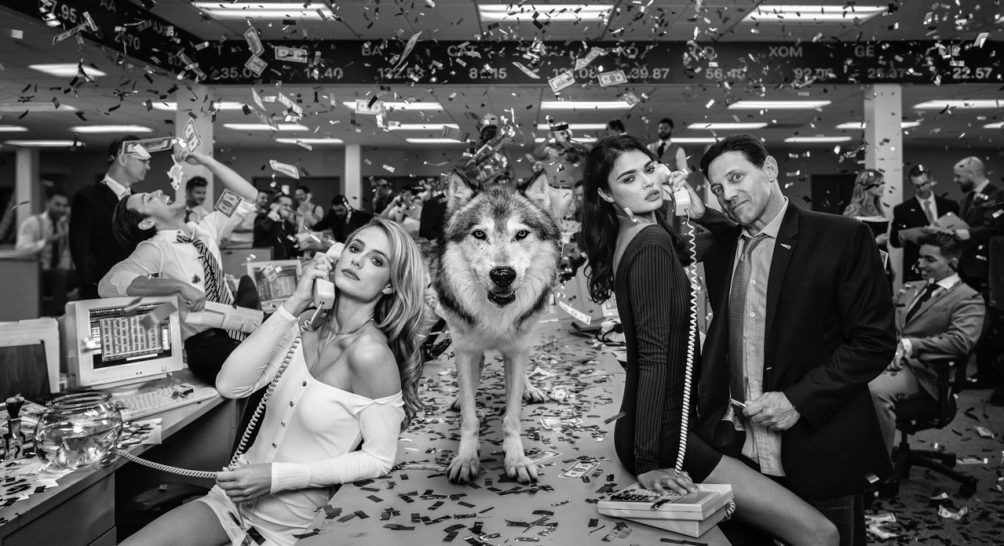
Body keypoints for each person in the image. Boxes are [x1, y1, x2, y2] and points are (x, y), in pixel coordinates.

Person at [578, 135, 837, 546]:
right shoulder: (651, 243)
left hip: (660, 426)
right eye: (629, 178)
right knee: (819, 534)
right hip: (664, 436)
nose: (647, 182)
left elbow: (724, 239)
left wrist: (696, 209)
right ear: (607, 194)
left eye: (649, 169)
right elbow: (654, 355)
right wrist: (649, 459)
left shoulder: (640, 232)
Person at [120, 218, 427, 546]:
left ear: (390, 285)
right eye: (354, 248)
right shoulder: (307, 323)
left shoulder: (370, 355)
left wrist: (276, 478)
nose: (358, 260)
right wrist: (295, 302)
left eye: (377, 260)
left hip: (286, 532)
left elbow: (380, 458)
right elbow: (230, 384)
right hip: (228, 505)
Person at [697, 134, 896, 545]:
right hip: (741, 452)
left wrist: (798, 401)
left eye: (737, 177)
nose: (729, 194)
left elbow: (873, 341)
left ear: (769, 170)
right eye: (719, 188)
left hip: (819, 446)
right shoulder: (719, 254)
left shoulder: (841, 237)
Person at [99, 147, 260, 384]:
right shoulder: (156, 248)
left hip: (240, 329)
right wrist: (177, 287)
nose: (157, 191)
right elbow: (109, 284)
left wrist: (206, 161)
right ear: (147, 222)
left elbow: (248, 195)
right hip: (206, 345)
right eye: (148, 198)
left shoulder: (205, 230)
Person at [869, 232, 984, 454]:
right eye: (920, 257)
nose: (920, 264)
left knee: (873, 391)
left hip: (927, 372)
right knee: (845, 377)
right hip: (890, 360)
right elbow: (884, 322)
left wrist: (909, 346)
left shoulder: (968, 298)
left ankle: (878, 469)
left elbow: (960, 342)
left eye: (929, 259)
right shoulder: (911, 288)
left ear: (952, 263)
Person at [69, 135, 148, 298]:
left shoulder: (141, 201)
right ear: (123, 159)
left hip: (137, 292)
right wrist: (95, 286)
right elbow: (81, 249)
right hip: (101, 294)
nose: (148, 167)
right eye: (143, 160)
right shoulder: (88, 198)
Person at [950, 156, 1004, 393]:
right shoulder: (967, 198)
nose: (955, 180)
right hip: (967, 267)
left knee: (988, 325)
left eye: (959, 176)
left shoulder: (998, 195)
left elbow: (997, 227)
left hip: (987, 269)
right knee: (973, 321)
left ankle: (989, 375)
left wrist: (969, 235)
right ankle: (981, 373)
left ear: (972, 173)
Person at [889, 165, 958, 282]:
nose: (921, 189)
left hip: (945, 265)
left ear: (931, 181)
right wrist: (905, 234)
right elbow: (894, 241)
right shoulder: (902, 209)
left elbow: (960, 235)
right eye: (917, 186)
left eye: (924, 184)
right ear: (911, 185)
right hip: (918, 266)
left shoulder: (950, 205)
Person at [16, 190, 77, 314]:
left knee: (86, 273)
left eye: (64, 206)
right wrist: (47, 241)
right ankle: (60, 315)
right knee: (58, 275)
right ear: (48, 203)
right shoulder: (32, 223)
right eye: (57, 204)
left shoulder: (65, 224)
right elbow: (21, 250)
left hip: (59, 276)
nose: (61, 209)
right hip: (36, 276)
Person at [532, 120, 590, 220]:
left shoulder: (572, 150)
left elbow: (574, 158)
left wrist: (563, 140)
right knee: (543, 220)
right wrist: (548, 138)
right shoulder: (549, 149)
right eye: (558, 133)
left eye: (562, 133)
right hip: (547, 188)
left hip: (563, 191)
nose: (558, 135)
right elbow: (536, 154)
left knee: (557, 220)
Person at [253, 193, 300, 260]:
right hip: (264, 262)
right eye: (285, 205)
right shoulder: (262, 217)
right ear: (274, 206)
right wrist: (274, 211)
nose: (288, 208)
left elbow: (292, 245)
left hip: (283, 263)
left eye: (290, 206)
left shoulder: (289, 225)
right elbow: (263, 228)